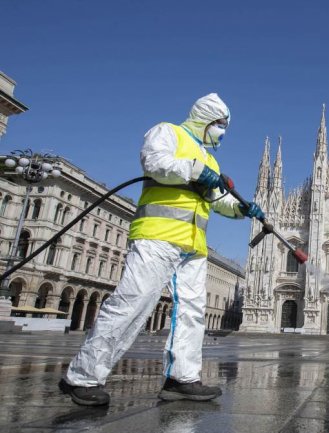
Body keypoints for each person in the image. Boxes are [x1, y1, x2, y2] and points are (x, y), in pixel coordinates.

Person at [59, 93, 264, 406]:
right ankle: (83, 377)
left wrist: (241, 209)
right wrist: (195, 170)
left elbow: (215, 199)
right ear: (206, 119)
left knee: (192, 314)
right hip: (157, 235)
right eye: (220, 125)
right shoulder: (169, 132)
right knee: (133, 303)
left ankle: (182, 377)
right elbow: (155, 164)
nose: (222, 131)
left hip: (193, 246)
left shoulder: (208, 159)